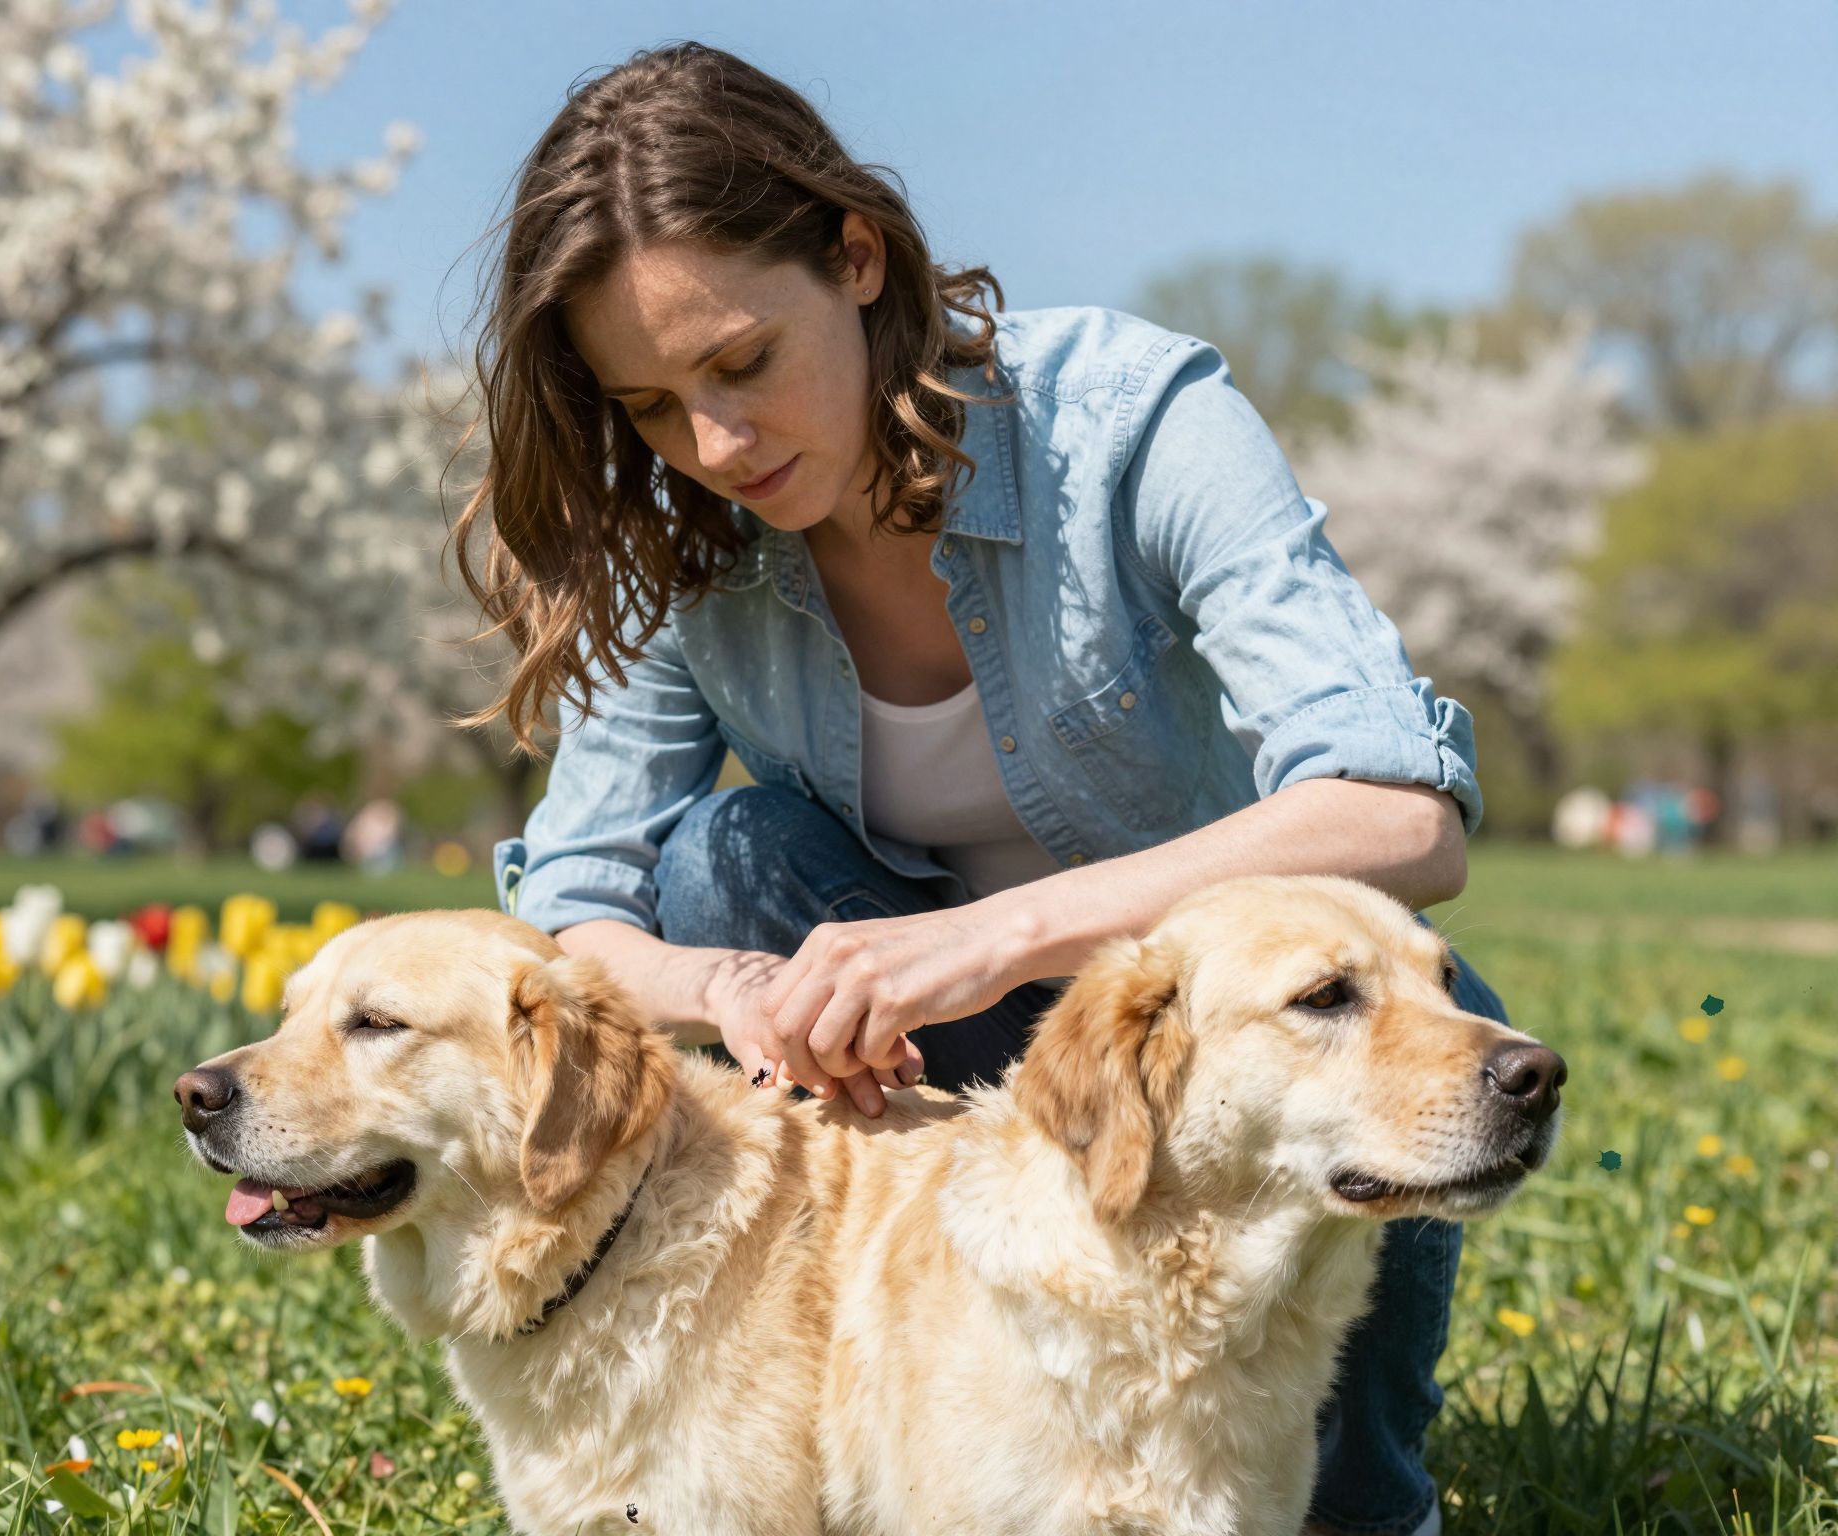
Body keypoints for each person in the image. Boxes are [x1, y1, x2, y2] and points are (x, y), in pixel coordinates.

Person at [453, 42, 1503, 1536]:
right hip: (920, 1071)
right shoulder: (689, 547)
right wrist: (735, 990)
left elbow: (1400, 811)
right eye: (651, 405)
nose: (715, 446)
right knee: (731, 856)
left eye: (743, 363)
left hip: (1203, 1055)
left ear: (857, 258)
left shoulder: (1131, 419)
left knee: (1386, 982)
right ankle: (892, 1413)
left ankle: (1364, 1486)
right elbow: (573, 920)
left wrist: (996, 939)